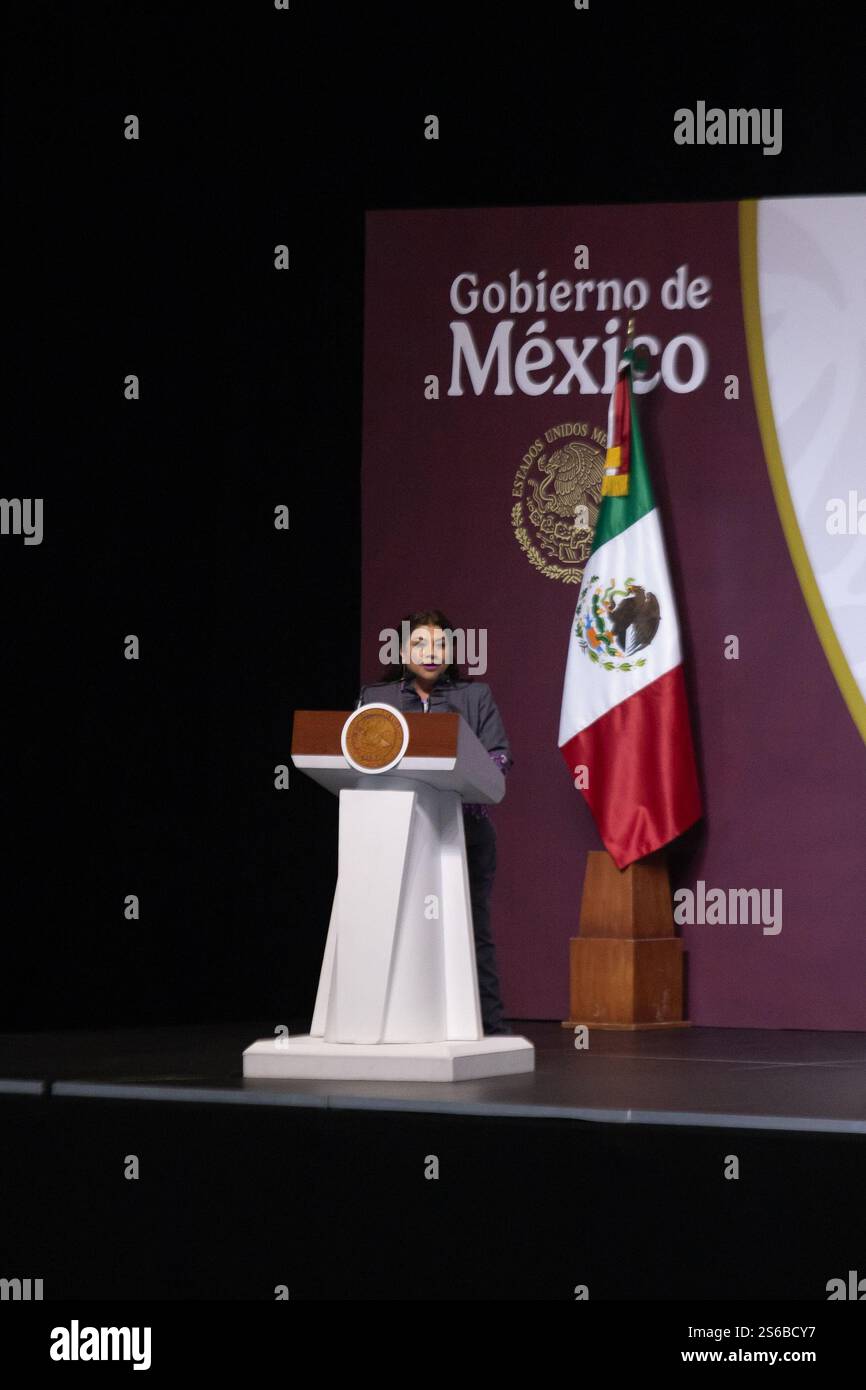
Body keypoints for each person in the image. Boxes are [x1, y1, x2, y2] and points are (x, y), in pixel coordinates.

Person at [356, 608, 514, 1036]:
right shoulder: (376, 698)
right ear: (402, 649)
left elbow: (498, 757)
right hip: (395, 835)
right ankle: (391, 1027)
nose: (431, 652)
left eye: (441, 643)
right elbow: (357, 757)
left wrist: (465, 784)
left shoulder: (475, 697)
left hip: (464, 833)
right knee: (396, 927)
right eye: (420, 643)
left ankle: (490, 1031)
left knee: (472, 928)